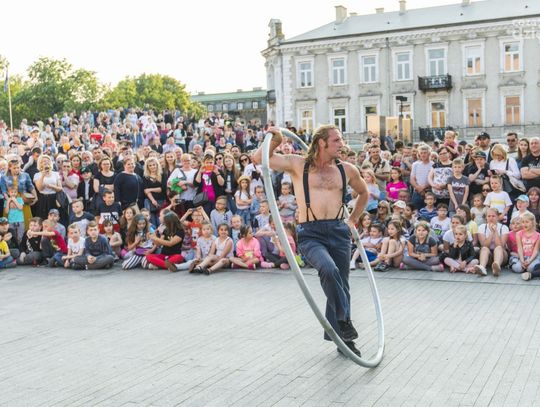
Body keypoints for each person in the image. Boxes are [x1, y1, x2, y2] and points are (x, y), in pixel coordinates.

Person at [253, 124, 368, 357]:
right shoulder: (298, 164)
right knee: (328, 270)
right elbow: (259, 159)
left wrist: (353, 219)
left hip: (338, 230)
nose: (342, 144)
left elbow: (364, 192)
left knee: (342, 283)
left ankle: (343, 340)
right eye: (336, 140)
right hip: (311, 232)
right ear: (321, 142)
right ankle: (344, 320)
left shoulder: (347, 169)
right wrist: (275, 140)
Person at [475, 208, 509, 277]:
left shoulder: (504, 227)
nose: (491, 218)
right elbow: (484, 245)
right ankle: (482, 267)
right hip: (488, 256)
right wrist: (491, 233)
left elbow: (501, 245)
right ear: (486, 217)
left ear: (497, 217)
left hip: (502, 256)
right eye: (489, 216)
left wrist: (495, 232)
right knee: (484, 248)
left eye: (493, 216)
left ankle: (496, 266)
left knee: (498, 248)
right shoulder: (482, 227)